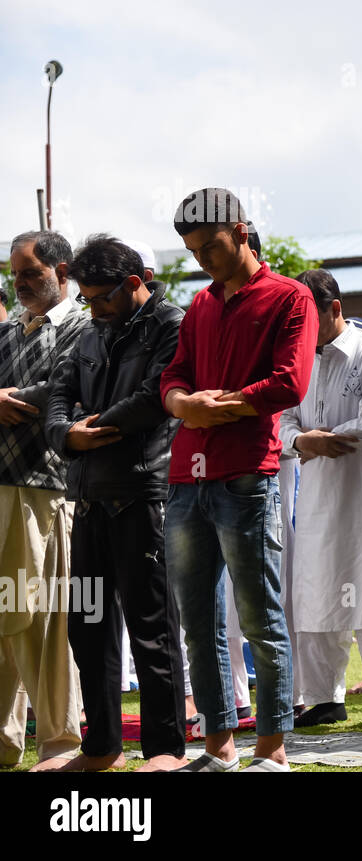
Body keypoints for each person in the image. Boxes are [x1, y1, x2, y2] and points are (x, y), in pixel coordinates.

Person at [161, 187, 318, 772]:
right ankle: (217, 746)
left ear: (242, 230)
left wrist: (216, 408)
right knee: (198, 625)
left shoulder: (290, 298)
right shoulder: (199, 305)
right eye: (193, 250)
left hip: (246, 476)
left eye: (211, 245)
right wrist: (182, 404)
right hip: (185, 477)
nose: (203, 258)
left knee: (260, 617)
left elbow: (289, 384)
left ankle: (272, 750)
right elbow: (172, 375)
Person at [45, 236, 188, 772]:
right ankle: (101, 746)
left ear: (134, 284)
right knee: (87, 626)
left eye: (102, 297)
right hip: (86, 497)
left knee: (151, 628)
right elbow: (58, 395)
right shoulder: (87, 330)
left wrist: (94, 424)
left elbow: (155, 398)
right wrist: (67, 433)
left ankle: (166, 750)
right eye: (86, 298)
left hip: (143, 494)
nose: (94, 307)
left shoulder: (172, 325)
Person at [281, 269, 362, 730]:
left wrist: (320, 438)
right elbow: (281, 421)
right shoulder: (296, 359)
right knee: (314, 591)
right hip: (316, 496)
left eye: (306, 317)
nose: (299, 328)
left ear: (334, 309)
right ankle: (322, 698)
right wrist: (301, 443)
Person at [0, 230, 89, 771]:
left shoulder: (82, 325)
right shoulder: (8, 329)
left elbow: (63, 387)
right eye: (15, 276)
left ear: (62, 270)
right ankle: (5, 741)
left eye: (32, 274)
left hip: (46, 489)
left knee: (44, 619)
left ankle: (60, 742)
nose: (23, 285)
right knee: (5, 619)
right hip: (4, 487)